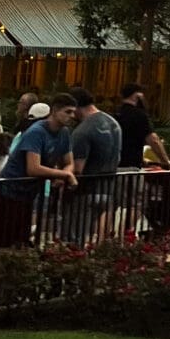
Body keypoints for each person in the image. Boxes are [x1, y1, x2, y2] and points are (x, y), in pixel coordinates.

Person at [0, 100, 76, 245]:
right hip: (7, 192)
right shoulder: (36, 132)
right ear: (54, 111)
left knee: (20, 241)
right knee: (0, 240)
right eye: (67, 111)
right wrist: (64, 175)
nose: (72, 116)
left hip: (27, 195)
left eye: (73, 112)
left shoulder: (64, 133)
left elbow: (68, 162)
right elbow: (33, 168)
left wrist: (64, 174)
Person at [67, 88, 123, 240]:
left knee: (77, 236)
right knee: (99, 237)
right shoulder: (114, 124)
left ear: (77, 106)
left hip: (86, 190)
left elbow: (78, 168)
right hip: (109, 186)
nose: (71, 115)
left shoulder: (82, 131)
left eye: (71, 110)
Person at [115, 85, 169, 172]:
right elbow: (153, 140)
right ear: (136, 95)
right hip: (131, 166)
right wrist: (165, 161)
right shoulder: (140, 115)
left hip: (114, 165)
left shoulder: (116, 114)